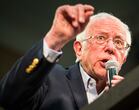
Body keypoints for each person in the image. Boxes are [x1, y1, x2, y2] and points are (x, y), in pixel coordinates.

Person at [0, 4, 131, 110]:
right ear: (79, 49)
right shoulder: (49, 77)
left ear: (123, 60)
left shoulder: (130, 97)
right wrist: (54, 39)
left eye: (119, 42)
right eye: (101, 38)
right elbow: (9, 97)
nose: (111, 47)